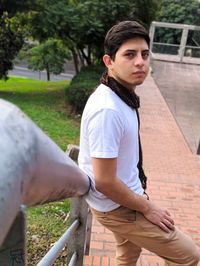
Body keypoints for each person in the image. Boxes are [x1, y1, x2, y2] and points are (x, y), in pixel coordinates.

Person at [78, 21, 200, 265]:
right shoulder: (107, 109)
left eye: (145, 54)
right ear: (109, 61)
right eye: (130, 55)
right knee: (188, 256)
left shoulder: (122, 93)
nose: (140, 62)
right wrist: (147, 207)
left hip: (127, 195)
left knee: (128, 255)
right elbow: (104, 181)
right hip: (116, 206)